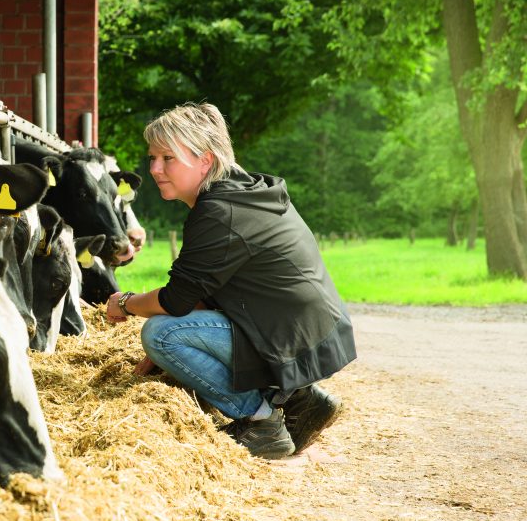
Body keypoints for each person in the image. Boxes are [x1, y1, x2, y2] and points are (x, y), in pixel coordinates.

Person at [106, 103, 355, 459]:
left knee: (161, 334)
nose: (155, 169)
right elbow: (202, 292)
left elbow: (175, 301)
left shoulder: (218, 212)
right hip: (311, 332)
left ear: (205, 161)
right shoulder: (240, 192)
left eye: (167, 158)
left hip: (293, 336)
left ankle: (261, 420)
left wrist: (125, 302)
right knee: (170, 333)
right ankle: (299, 399)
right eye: (153, 158)